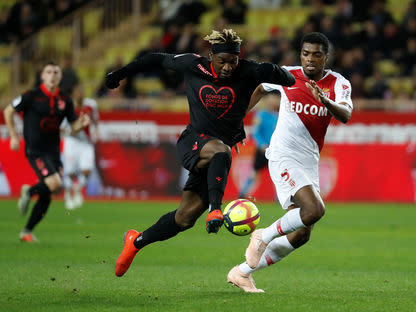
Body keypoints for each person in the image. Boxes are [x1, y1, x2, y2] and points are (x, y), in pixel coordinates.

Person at [104, 28, 295, 278]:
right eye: (222, 61)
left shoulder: (249, 70)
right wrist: (119, 74)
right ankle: (215, 209)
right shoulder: (193, 64)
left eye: (233, 61)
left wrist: (278, 73)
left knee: (184, 218)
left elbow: (288, 79)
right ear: (211, 56)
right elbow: (153, 58)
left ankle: (135, 243)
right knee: (221, 151)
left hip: (215, 155)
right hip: (193, 140)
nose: (228, 67)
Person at [227, 32, 353, 292]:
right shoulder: (288, 75)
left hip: (309, 161)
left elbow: (346, 114)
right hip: (283, 155)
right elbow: (261, 86)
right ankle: (263, 234)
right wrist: (238, 118)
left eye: (316, 54)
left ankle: (242, 272)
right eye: (306, 53)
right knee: (315, 210)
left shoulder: (338, 83)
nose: (310, 59)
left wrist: (326, 102)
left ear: (325, 57)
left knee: (302, 232)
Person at [3, 61, 90, 242]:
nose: (52, 75)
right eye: (49, 72)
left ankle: (26, 231)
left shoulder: (65, 100)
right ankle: (28, 192)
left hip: (53, 152)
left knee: (48, 195)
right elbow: (8, 111)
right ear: (42, 76)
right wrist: (13, 136)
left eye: (56, 72)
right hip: (35, 150)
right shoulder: (31, 95)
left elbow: (73, 127)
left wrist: (80, 125)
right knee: (55, 183)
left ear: (60, 77)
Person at [62, 85, 99, 210]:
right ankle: (67, 194)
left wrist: (96, 132)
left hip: (86, 143)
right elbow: (63, 129)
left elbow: (95, 120)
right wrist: (78, 127)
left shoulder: (91, 105)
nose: (80, 93)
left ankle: (77, 190)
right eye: (78, 91)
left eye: (82, 91)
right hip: (71, 142)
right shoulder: (67, 107)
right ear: (73, 94)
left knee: (87, 170)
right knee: (71, 173)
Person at [238, 90, 279, 199]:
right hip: (262, 150)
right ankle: (242, 194)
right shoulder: (260, 115)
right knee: (255, 174)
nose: (272, 101)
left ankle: (279, 198)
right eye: (270, 98)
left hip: (274, 150)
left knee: (277, 175)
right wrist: (262, 145)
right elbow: (255, 132)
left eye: (275, 98)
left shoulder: (277, 116)